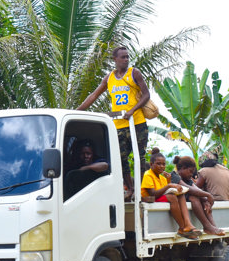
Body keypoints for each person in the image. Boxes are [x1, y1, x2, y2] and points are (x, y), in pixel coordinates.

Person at [77, 46, 150, 199]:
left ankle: (139, 188)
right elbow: (94, 95)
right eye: (123, 57)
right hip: (119, 124)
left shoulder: (134, 73)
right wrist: (78, 110)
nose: (126, 59)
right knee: (121, 157)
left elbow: (146, 95)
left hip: (136, 123)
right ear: (115, 59)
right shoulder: (109, 78)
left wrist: (132, 110)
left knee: (139, 157)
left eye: (127, 56)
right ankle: (130, 188)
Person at [140, 148, 200, 239]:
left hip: (159, 198)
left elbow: (165, 191)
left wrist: (168, 182)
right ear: (151, 164)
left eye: (164, 164)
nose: (161, 166)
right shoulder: (148, 174)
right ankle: (182, 228)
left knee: (180, 194)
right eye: (158, 164)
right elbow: (153, 193)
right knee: (172, 197)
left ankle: (188, 224)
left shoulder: (162, 177)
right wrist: (169, 185)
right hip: (150, 199)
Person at [172, 155, 225, 236]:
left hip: (184, 199)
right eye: (190, 171)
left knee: (204, 201)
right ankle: (207, 226)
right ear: (182, 168)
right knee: (194, 197)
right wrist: (208, 195)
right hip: (177, 200)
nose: (191, 174)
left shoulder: (188, 179)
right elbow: (189, 189)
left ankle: (212, 226)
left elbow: (197, 189)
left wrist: (206, 199)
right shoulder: (174, 176)